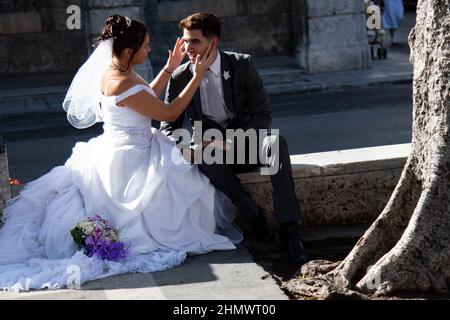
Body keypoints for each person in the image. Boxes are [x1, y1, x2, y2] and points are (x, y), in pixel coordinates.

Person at [0, 14, 240, 292]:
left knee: (191, 165)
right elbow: (169, 112)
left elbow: (144, 98)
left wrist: (168, 69)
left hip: (127, 145)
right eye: (146, 46)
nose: (149, 49)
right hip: (133, 157)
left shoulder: (118, 71)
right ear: (129, 50)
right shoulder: (121, 82)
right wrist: (196, 76)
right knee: (185, 182)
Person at [160, 13, 308, 266]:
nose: (187, 48)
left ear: (213, 43)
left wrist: (226, 140)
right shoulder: (181, 76)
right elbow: (167, 126)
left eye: (194, 42)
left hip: (244, 143)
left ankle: (289, 228)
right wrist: (188, 145)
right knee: (204, 157)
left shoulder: (242, 64)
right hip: (212, 155)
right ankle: (254, 216)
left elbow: (262, 115)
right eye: (185, 42)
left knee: (276, 143)